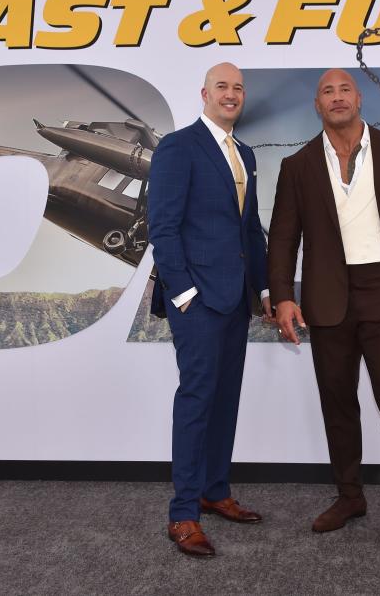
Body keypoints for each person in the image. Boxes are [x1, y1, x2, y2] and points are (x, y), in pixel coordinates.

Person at [267, 68, 380, 555]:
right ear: (317, 106)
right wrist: (282, 295)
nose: (337, 97)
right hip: (326, 296)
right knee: (337, 402)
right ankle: (349, 497)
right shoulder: (297, 166)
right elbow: (282, 238)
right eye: (327, 91)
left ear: (359, 99)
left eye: (345, 89)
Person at [147, 62, 271, 557]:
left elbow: (250, 230)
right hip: (196, 300)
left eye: (238, 88)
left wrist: (261, 291)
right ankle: (182, 515)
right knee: (197, 400)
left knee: (225, 399)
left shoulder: (245, 153)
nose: (231, 94)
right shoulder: (179, 146)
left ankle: (215, 492)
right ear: (204, 93)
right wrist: (183, 294)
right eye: (222, 86)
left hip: (236, 300)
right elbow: (163, 227)